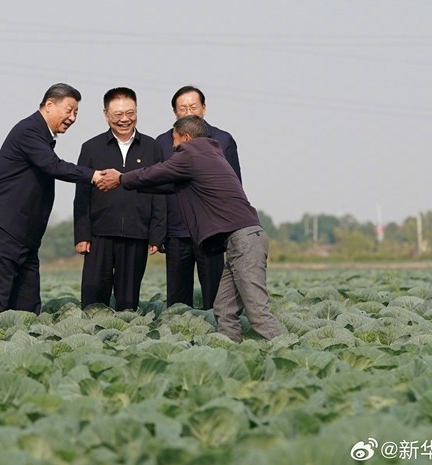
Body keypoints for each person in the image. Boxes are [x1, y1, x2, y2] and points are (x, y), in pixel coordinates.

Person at [96, 115, 283, 343]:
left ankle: (292, 353)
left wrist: (122, 178)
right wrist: (128, 186)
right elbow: (166, 184)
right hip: (243, 240)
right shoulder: (210, 154)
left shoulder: (191, 152)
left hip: (244, 241)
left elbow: (156, 172)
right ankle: (231, 352)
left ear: (185, 137)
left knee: (258, 313)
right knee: (224, 309)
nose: (173, 149)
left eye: (174, 143)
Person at [0, 83, 104, 314]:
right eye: (69, 110)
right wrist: (93, 175)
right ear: (49, 104)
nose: (72, 117)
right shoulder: (29, 131)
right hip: (3, 228)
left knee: (27, 307)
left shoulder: (41, 135)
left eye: (76, 112)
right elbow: (53, 166)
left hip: (25, 236)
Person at [73, 87, 165, 310]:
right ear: (106, 115)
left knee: (128, 300)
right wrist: (82, 234)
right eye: (118, 115)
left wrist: (156, 234)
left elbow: (161, 193)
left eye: (130, 113)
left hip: (137, 233)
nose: (125, 119)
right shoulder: (91, 147)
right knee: (94, 297)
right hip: (99, 235)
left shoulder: (152, 147)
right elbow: (81, 195)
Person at [156, 86, 241, 310]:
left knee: (215, 298)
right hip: (176, 232)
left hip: (211, 233)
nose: (188, 112)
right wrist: (158, 232)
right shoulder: (163, 143)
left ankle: (217, 338)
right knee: (177, 299)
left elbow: (233, 188)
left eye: (193, 107)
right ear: (174, 112)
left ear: (204, 108)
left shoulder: (223, 140)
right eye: (182, 108)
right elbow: (155, 190)